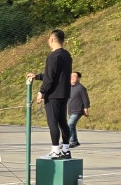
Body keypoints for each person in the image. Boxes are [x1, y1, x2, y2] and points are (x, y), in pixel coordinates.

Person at [27, 29, 73, 158]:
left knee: (53, 123)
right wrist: (36, 76)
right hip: (64, 93)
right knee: (62, 121)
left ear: (52, 40)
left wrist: (41, 92)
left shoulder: (53, 56)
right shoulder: (67, 55)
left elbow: (50, 78)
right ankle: (65, 149)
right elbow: (56, 75)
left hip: (53, 94)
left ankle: (55, 150)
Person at [66, 71, 90, 149]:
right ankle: (74, 141)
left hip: (78, 110)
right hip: (71, 110)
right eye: (71, 76)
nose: (72, 78)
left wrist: (86, 108)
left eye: (74, 76)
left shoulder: (81, 88)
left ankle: (70, 141)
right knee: (72, 125)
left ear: (79, 78)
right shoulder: (69, 87)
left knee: (70, 124)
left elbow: (85, 98)